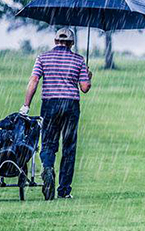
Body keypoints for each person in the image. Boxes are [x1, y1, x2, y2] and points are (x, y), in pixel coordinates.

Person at [21, 27, 92, 200]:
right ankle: (64, 190)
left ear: (55, 41)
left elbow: (34, 81)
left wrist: (26, 106)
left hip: (50, 104)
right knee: (69, 147)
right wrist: (88, 76)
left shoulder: (43, 58)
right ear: (72, 43)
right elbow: (84, 88)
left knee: (48, 142)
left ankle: (47, 167)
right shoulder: (79, 60)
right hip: (70, 105)